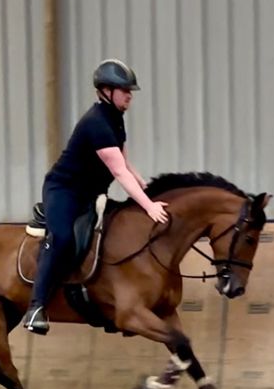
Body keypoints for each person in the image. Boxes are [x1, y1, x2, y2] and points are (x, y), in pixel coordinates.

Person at [21, 58, 170, 335]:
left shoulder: (116, 120)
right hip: (64, 191)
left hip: (91, 193)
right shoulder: (96, 123)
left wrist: (146, 187)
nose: (129, 96)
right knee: (63, 238)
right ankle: (36, 307)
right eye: (124, 90)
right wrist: (148, 206)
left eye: (130, 91)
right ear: (105, 91)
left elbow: (126, 165)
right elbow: (118, 172)